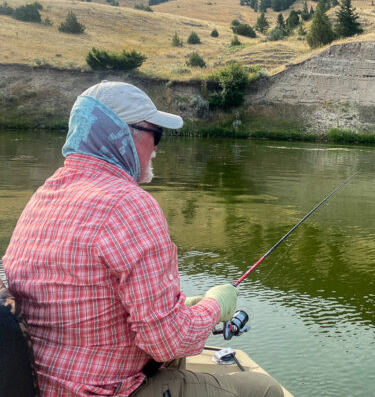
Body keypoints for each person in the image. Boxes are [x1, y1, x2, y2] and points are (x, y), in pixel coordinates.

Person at [2, 81, 283, 397]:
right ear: (123, 135)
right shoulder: (129, 204)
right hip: (103, 390)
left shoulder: (46, 194)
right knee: (265, 390)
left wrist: (185, 308)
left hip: (47, 384)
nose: (158, 147)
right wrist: (216, 306)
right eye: (155, 134)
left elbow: (83, 298)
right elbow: (167, 342)